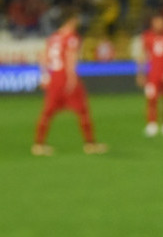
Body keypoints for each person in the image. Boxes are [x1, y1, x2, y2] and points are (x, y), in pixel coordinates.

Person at [32, 12, 107, 155]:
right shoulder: (72, 37)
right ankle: (90, 144)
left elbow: (42, 56)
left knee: (47, 112)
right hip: (65, 77)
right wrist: (72, 79)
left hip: (54, 77)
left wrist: (44, 76)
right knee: (83, 111)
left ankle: (38, 145)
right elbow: (70, 58)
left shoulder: (53, 37)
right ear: (71, 21)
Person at [135, 13, 163, 137]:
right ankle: (152, 124)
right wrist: (140, 73)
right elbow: (142, 55)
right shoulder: (147, 36)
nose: (159, 25)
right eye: (156, 22)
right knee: (151, 99)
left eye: (161, 22)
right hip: (153, 75)